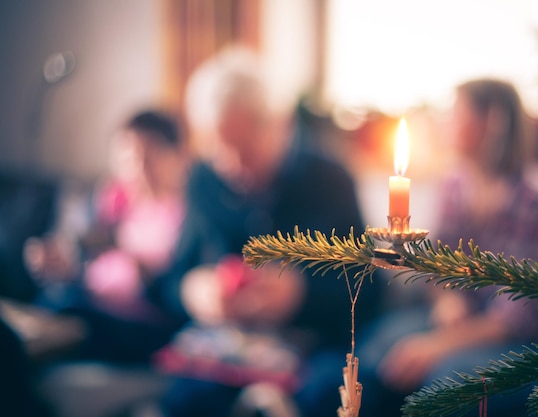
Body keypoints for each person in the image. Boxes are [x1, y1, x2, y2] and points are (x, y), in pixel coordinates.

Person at [152, 46, 381, 417]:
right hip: (226, 349)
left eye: (246, 149)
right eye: (220, 149)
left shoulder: (330, 178)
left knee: (330, 395)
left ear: (280, 126)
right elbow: (171, 281)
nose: (234, 166)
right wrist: (193, 292)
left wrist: (301, 293)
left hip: (312, 344)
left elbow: (369, 289)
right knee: (186, 399)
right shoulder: (203, 180)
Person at [359, 79, 538, 417]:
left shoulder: (536, 201)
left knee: (443, 383)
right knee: (378, 348)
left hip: (523, 346)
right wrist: (446, 297)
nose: (446, 121)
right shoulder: (456, 183)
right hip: (465, 322)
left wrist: (435, 346)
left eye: (456, 112)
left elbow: (515, 319)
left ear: (491, 122)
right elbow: (438, 264)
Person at [25, 109, 190, 362]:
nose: (139, 169)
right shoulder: (115, 201)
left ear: (177, 156)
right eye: (130, 159)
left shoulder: (186, 212)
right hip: (94, 305)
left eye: (151, 157)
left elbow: (175, 290)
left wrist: (140, 266)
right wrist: (61, 259)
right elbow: (85, 254)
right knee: (57, 299)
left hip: (145, 324)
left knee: (66, 305)